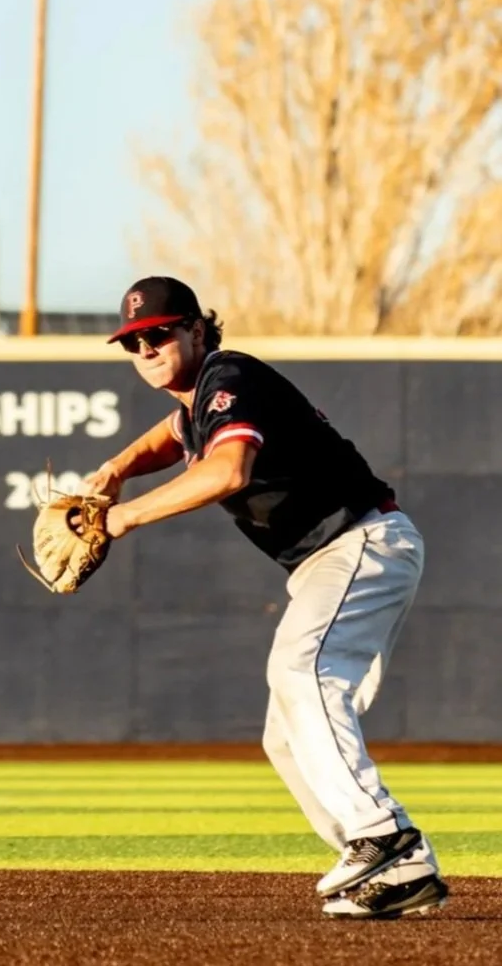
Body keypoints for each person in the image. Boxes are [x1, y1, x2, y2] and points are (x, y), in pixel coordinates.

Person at [88, 275, 447, 920]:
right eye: (132, 341)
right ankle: (398, 871)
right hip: (329, 558)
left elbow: (227, 471)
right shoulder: (203, 400)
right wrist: (114, 470)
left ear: (198, 329)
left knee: (301, 669)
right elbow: (173, 435)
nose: (145, 348)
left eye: (159, 333)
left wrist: (122, 516)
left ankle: (382, 834)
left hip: (361, 540)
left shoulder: (232, 377)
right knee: (284, 734)